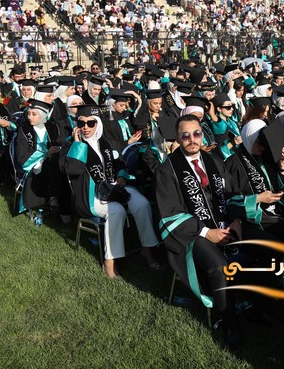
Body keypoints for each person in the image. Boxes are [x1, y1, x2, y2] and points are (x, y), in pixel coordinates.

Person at [154, 114, 242, 349]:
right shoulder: (167, 170)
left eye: (196, 133)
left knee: (259, 246)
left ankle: (258, 305)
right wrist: (207, 233)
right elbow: (170, 214)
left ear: (202, 135)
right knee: (219, 265)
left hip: (224, 225)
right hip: (190, 236)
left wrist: (234, 220)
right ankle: (229, 322)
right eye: (185, 135)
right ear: (177, 138)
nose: (192, 139)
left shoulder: (213, 161)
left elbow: (232, 192)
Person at [60, 104, 160, 279]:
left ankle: (147, 249)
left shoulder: (106, 142)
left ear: (98, 124)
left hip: (114, 188)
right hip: (90, 196)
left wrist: (121, 175)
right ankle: (110, 261)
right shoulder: (70, 145)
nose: (85, 127)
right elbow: (72, 170)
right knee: (117, 211)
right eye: (81, 123)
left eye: (91, 123)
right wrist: (78, 145)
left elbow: (120, 162)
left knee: (142, 204)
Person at [14, 100, 67, 218]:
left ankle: (61, 204)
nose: (29, 117)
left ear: (42, 115)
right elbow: (22, 158)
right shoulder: (24, 129)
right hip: (33, 166)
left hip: (51, 162)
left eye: (34, 114)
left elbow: (60, 143)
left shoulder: (53, 127)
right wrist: (45, 154)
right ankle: (56, 202)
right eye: (28, 113)